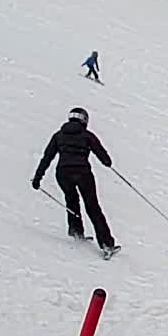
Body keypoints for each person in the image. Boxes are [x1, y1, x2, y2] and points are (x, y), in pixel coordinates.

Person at [33, 106, 116, 253]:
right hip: (82, 172)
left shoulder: (58, 136)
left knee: (71, 200)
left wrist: (38, 178)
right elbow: (103, 156)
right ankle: (106, 244)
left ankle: (76, 231)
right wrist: (107, 163)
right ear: (84, 120)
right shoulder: (87, 135)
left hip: (63, 173)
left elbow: (47, 157)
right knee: (92, 206)